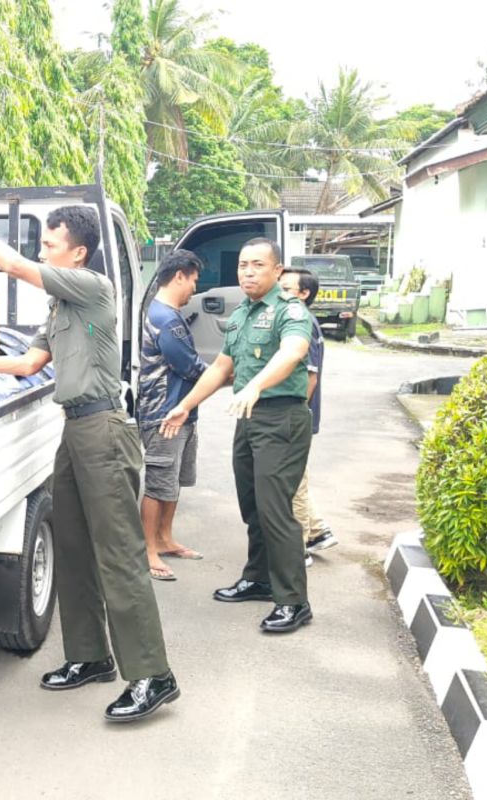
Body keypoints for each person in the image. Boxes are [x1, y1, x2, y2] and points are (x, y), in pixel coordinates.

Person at [0, 203, 178, 723]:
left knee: (119, 554)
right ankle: (89, 657)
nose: (42, 253)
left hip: (105, 430)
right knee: (75, 548)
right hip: (76, 429)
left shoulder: (93, 286)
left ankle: (153, 675)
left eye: (51, 245)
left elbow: (14, 266)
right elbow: (26, 364)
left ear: (77, 254)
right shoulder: (62, 308)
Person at [161, 238, 314, 634]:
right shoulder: (244, 312)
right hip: (250, 419)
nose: (248, 272)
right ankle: (259, 578)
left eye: (258, 265)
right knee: (253, 504)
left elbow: (293, 352)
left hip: (281, 418)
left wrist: (255, 385)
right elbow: (220, 367)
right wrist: (186, 404)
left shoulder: (290, 310)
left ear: (277, 272)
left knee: (275, 510)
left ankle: (294, 601)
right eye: (243, 265)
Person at [138, 250, 208, 581]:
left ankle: (165, 539)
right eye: (194, 279)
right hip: (164, 414)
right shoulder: (165, 318)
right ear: (179, 275)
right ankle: (148, 548)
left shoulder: (168, 313)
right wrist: (227, 373)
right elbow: (189, 366)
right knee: (158, 482)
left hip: (182, 411)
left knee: (175, 480)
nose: (195, 287)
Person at [280, 268, 337, 564]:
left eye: (287, 289)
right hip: (301, 415)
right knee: (296, 477)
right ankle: (317, 531)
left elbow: (309, 377)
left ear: (304, 294)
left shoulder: (302, 323)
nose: (281, 293)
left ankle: (298, 548)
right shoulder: (297, 318)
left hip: (297, 415)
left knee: (294, 485)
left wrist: (296, 414)